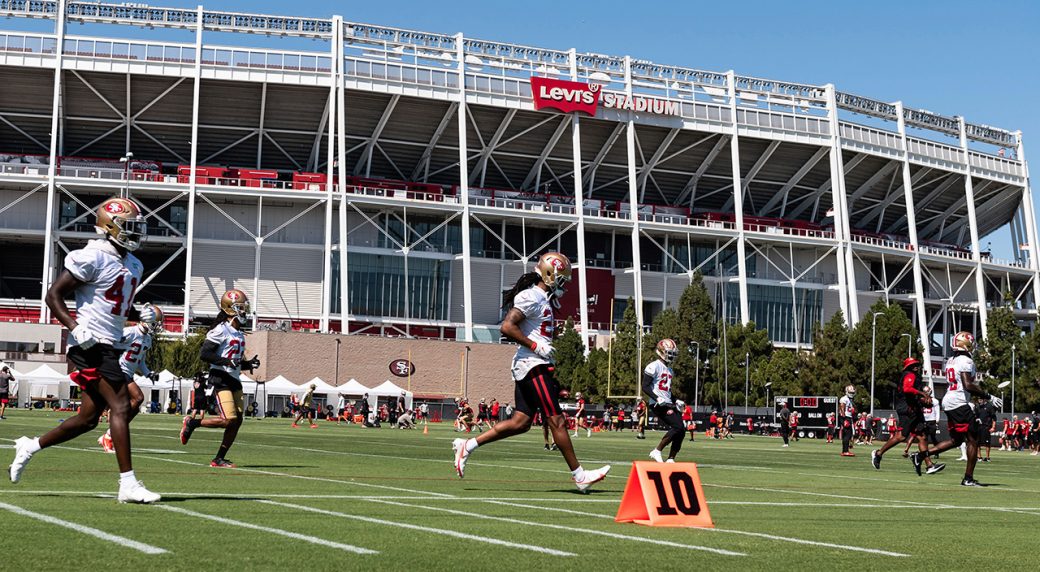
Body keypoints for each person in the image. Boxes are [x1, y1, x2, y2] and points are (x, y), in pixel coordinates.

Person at [8, 197, 160, 503]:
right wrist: (76, 328)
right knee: (121, 405)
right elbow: (53, 296)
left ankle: (30, 446)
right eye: (127, 227)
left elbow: (110, 307)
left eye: (136, 227)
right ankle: (127, 483)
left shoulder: (134, 263)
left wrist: (136, 319)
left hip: (108, 344)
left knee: (88, 418)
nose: (134, 233)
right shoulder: (92, 255)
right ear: (108, 226)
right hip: (88, 344)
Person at [451, 252, 609, 492]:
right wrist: (536, 345)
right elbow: (507, 326)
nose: (565, 285)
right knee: (556, 419)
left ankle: (468, 445)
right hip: (531, 364)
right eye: (562, 279)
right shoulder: (531, 296)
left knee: (521, 422)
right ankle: (579, 476)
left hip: (533, 364)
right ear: (549, 275)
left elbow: (534, 328)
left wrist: (550, 340)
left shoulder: (544, 299)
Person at [179, 289, 261, 468]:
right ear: (230, 309)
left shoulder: (238, 332)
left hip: (233, 378)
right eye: (240, 307)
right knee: (228, 420)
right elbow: (205, 354)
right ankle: (193, 422)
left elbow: (234, 362)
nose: (244, 311)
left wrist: (249, 364)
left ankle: (218, 458)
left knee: (237, 421)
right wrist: (226, 361)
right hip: (220, 378)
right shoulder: (220, 329)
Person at [910, 332, 1001, 486]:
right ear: (966, 344)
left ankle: (921, 456)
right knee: (973, 440)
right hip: (958, 402)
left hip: (949, 400)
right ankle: (968, 478)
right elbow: (967, 385)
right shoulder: (966, 360)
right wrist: (988, 396)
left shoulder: (951, 360)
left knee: (956, 440)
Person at [98, 305, 163, 453]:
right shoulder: (129, 332)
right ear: (146, 320)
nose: (157, 326)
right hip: (119, 371)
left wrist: (148, 373)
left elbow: (140, 361)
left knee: (129, 404)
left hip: (128, 373)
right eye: (155, 323)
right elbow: (110, 346)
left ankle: (111, 433)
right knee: (138, 398)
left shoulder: (147, 340)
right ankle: (109, 435)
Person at [871, 357, 944, 475]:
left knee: (922, 437)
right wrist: (922, 394)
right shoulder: (910, 375)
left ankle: (929, 465)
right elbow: (907, 388)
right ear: (908, 367)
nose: (916, 366)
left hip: (915, 408)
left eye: (916, 364)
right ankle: (878, 453)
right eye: (913, 365)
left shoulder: (915, 375)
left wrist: (923, 401)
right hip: (907, 409)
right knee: (901, 436)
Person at [644, 339, 685, 463]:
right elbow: (645, 386)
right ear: (661, 351)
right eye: (669, 353)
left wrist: (676, 400)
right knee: (677, 426)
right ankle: (657, 450)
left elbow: (667, 391)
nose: (671, 356)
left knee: (681, 430)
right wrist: (657, 398)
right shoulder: (653, 366)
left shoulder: (669, 370)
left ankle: (671, 458)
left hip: (667, 402)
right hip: (657, 403)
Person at [975, 395, 997, 463]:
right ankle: (979, 457)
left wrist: (993, 427)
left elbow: (994, 418)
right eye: (978, 399)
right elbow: (976, 416)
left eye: (980, 398)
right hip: (978, 427)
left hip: (986, 427)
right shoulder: (978, 407)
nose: (979, 400)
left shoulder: (989, 406)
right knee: (977, 442)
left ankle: (987, 457)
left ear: (984, 399)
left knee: (987, 443)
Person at [839, 385, 857, 457]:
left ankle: (846, 450)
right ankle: (845, 451)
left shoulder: (850, 400)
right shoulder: (844, 399)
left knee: (849, 434)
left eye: (852, 392)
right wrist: (844, 418)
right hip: (845, 417)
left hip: (848, 417)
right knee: (847, 435)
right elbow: (842, 408)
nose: (852, 394)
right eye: (850, 392)